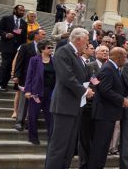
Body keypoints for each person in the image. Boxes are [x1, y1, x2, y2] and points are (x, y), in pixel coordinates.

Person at [45, 28, 94, 169]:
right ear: (78, 39)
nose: (88, 42)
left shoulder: (77, 55)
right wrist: (85, 91)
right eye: (86, 39)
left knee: (69, 147)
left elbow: (81, 77)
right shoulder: (63, 51)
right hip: (64, 106)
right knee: (58, 146)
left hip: (74, 107)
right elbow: (67, 77)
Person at [88, 47, 128, 169]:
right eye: (125, 57)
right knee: (100, 147)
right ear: (118, 57)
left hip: (108, 114)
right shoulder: (109, 69)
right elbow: (105, 90)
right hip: (104, 114)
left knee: (103, 146)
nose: (126, 60)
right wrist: (122, 99)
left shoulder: (113, 68)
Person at [79, 45, 108, 169]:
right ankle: (84, 164)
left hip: (102, 108)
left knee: (97, 138)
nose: (105, 52)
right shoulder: (89, 66)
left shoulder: (108, 67)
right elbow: (84, 84)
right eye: (102, 51)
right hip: (88, 106)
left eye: (107, 51)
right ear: (95, 53)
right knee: (85, 138)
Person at [14, 29, 46, 131]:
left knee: (35, 101)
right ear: (36, 35)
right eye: (42, 34)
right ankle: (19, 122)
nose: (44, 36)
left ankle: (30, 123)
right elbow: (19, 61)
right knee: (24, 101)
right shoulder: (25, 46)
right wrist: (16, 75)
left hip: (39, 80)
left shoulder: (45, 48)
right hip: (26, 78)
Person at [24, 39, 55, 145]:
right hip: (36, 91)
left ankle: (51, 138)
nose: (51, 49)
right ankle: (33, 137)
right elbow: (29, 76)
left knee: (51, 116)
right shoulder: (34, 60)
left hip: (50, 92)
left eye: (52, 47)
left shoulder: (54, 60)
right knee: (33, 115)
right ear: (42, 49)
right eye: (49, 48)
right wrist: (27, 90)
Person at [0, 5, 27, 92]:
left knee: (11, 67)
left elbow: (23, 37)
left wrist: (22, 49)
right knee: (5, 65)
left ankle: (4, 84)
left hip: (17, 49)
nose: (22, 12)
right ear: (15, 10)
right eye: (20, 10)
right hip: (6, 46)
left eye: (23, 11)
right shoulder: (6, 18)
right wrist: (6, 34)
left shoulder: (24, 23)